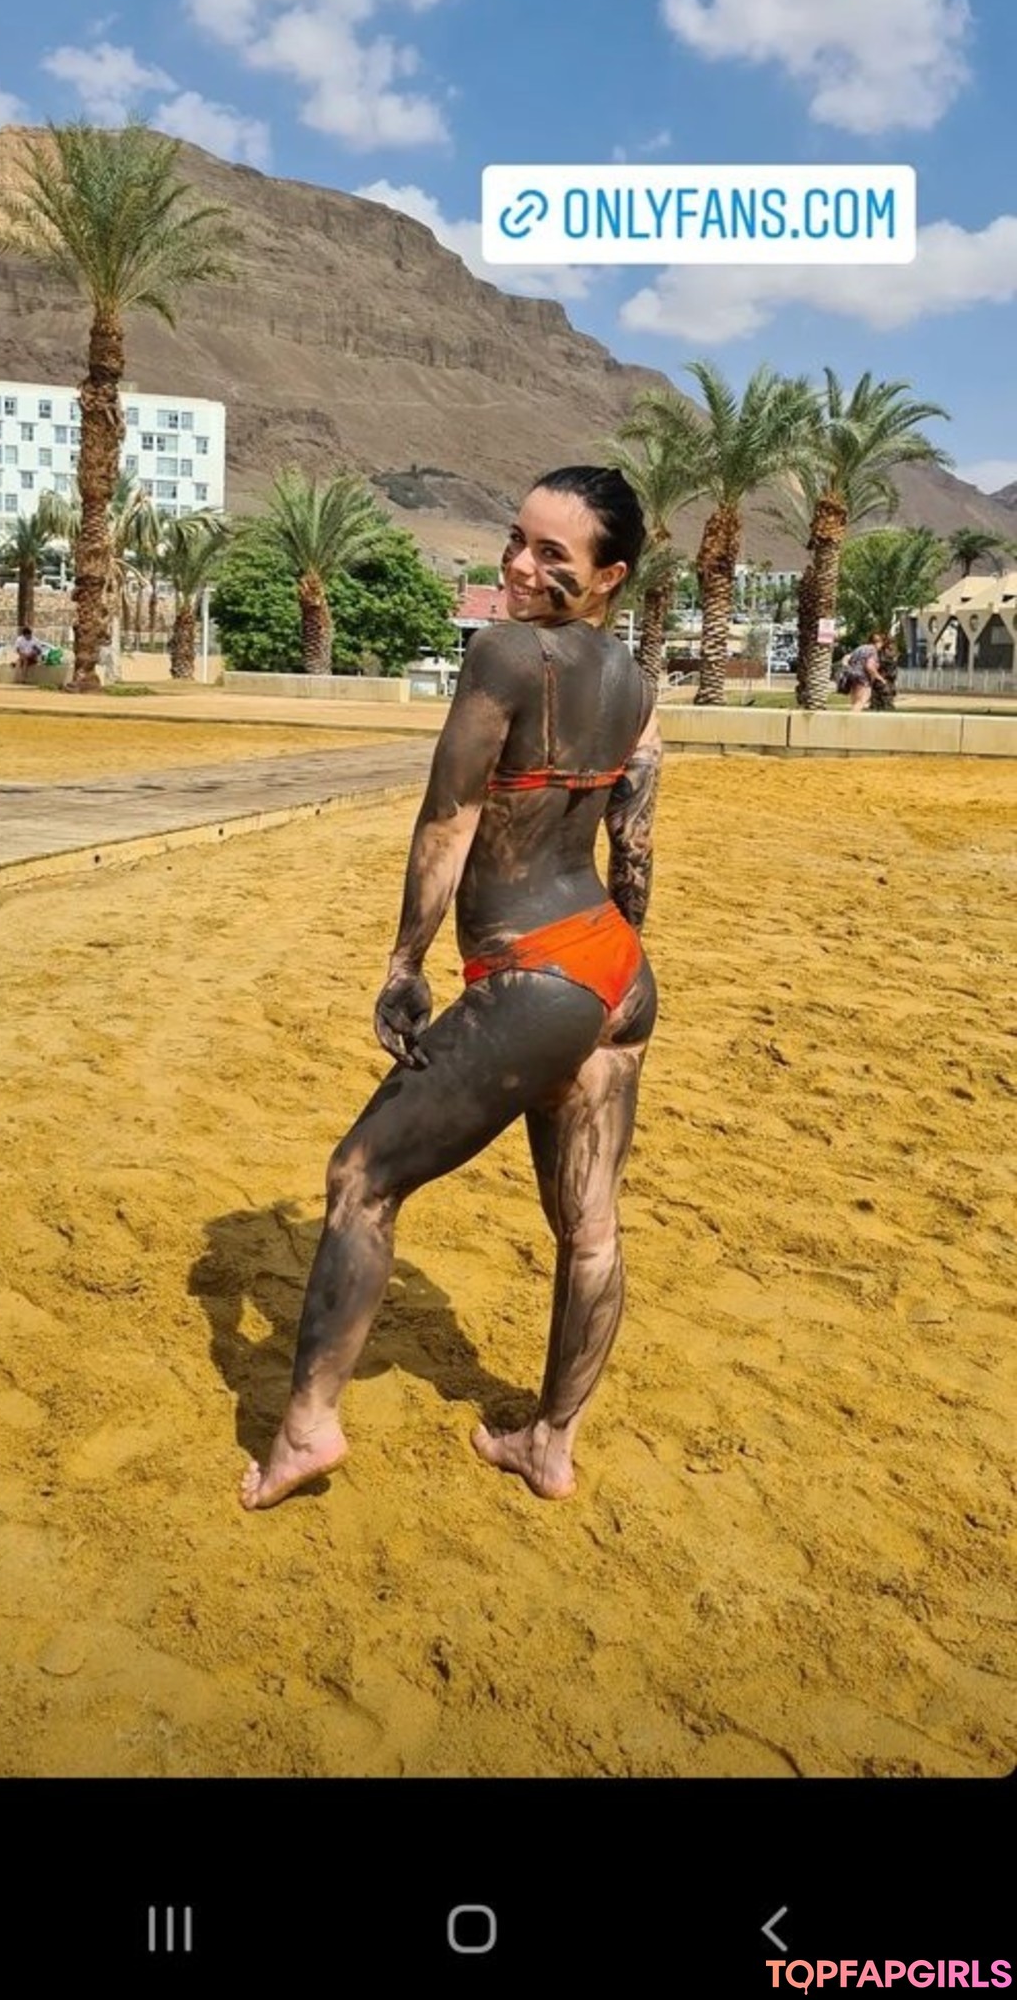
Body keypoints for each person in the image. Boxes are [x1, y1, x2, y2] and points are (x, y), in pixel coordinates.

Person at [241, 466, 662, 1510]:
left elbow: (448, 819)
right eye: (516, 538)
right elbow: (635, 841)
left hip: (536, 968)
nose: (519, 565)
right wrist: (611, 978)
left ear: (609, 575)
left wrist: (405, 963)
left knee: (360, 1178)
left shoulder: (505, 654)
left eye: (552, 555)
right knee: (591, 1228)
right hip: (612, 968)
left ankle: (305, 1430)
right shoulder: (636, 682)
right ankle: (549, 1444)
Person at [836, 630, 893, 712]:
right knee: (862, 700)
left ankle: (852, 718)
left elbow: (846, 658)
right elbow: (869, 666)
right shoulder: (872, 650)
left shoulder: (860, 648)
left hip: (852, 676)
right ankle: (851, 718)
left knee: (855, 702)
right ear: (879, 642)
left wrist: (847, 668)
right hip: (862, 679)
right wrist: (880, 678)